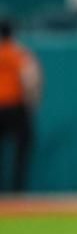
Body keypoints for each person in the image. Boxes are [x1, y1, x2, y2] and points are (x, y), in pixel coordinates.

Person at [0, 19, 42, 192]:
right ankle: (17, 190)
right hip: (16, 107)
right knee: (22, 150)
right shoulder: (19, 53)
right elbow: (30, 79)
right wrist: (32, 103)